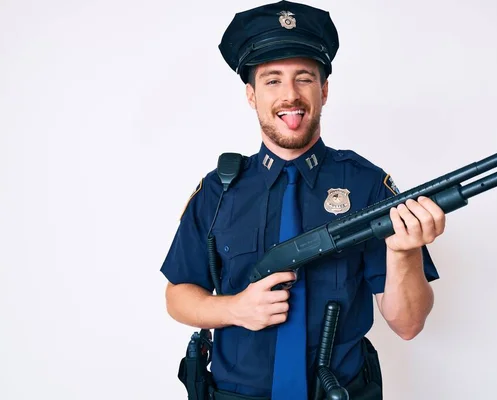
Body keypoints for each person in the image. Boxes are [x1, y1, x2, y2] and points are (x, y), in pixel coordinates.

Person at [160, 1, 446, 399]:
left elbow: (408, 324)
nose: (289, 96)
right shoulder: (218, 190)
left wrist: (404, 253)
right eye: (272, 80)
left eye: (304, 79)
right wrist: (235, 308)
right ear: (251, 94)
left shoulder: (366, 185)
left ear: (324, 90)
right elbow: (178, 296)